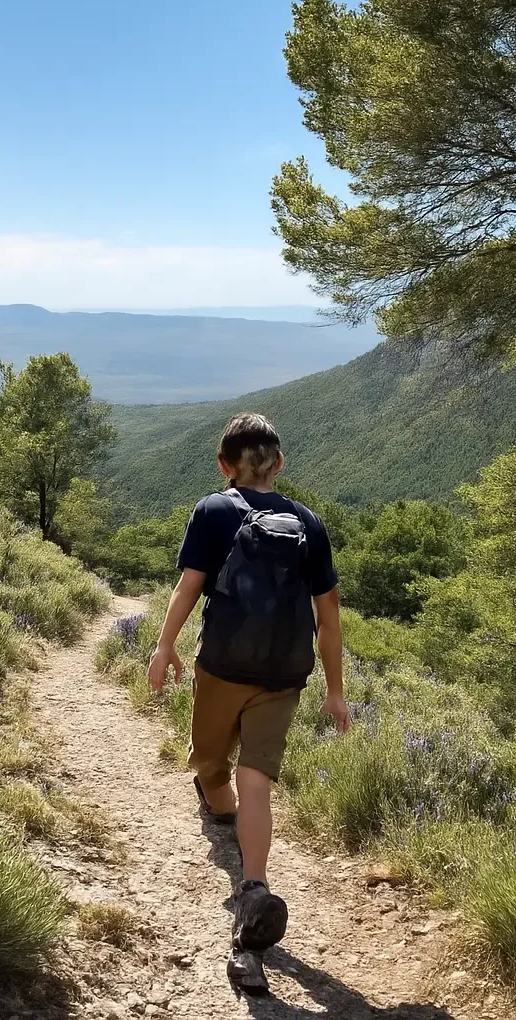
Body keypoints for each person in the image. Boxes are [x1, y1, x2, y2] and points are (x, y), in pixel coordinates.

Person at [147, 411, 349, 995]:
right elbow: (328, 618)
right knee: (254, 781)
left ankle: (229, 836)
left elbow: (189, 585)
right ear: (279, 465)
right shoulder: (308, 523)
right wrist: (334, 692)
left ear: (224, 466)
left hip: (222, 667)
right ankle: (253, 884)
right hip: (285, 675)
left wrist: (165, 648)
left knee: (210, 764)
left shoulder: (213, 511)